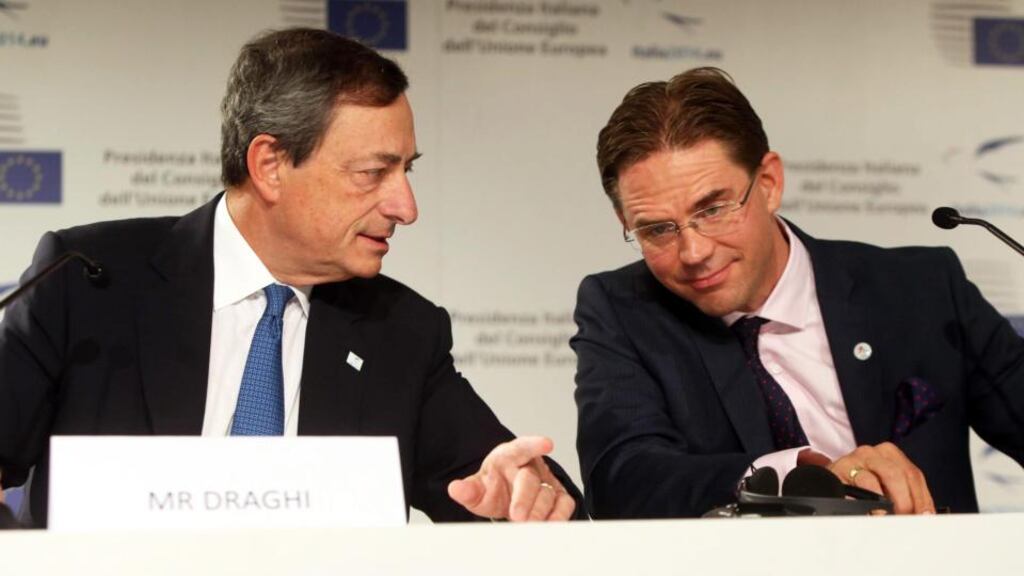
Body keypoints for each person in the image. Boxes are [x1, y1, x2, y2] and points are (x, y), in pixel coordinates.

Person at [0, 28, 581, 527]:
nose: (406, 207)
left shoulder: (400, 332)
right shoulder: (87, 280)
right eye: (373, 173)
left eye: (406, 171)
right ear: (270, 166)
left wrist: (526, 498)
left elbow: (508, 490)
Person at [572, 67, 1024, 518]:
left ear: (769, 184)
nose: (693, 251)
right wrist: (794, 476)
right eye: (657, 229)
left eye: (712, 209)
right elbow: (622, 479)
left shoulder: (920, 288)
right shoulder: (624, 311)